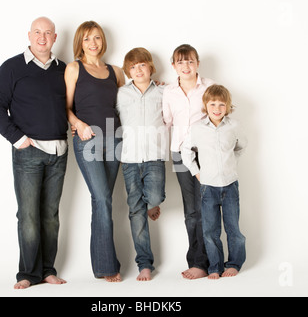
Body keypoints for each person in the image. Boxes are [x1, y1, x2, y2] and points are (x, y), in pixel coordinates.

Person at [0, 17, 68, 289]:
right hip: (29, 152)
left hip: (59, 152)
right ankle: (27, 274)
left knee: (50, 215)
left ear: (55, 38)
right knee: (28, 216)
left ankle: (47, 270)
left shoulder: (63, 69)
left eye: (48, 33)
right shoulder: (12, 67)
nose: (42, 37)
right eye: (38, 32)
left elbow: (78, 103)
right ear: (29, 35)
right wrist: (18, 138)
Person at [65, 21, 125, 282]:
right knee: (102, 199)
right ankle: (107, 267)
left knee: (103, 201)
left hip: (115, 140)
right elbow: (65, 106)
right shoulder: (74, 68)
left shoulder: (116, 71)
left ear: (103, 41)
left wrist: (152, 84)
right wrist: (78, 124)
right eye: (88, 38)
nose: (93, 43)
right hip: (88, 140)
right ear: (80, 42)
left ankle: (101, 264)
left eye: (97, 38)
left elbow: (128, 103)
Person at [181, 84, 247, 279]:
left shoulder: (234, 127)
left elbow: (241, 146)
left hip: (230, 185)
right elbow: (186, 152)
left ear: (227, 106)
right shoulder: (198, 128)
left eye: (221, 104)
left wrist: (230, 164)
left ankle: (234, 264)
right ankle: (215, 267)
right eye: (212, 104)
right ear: (205, 105)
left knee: (233, 228)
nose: (217, 108)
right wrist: (197, 173)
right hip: (207, 187)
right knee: (210, 231)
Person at [162, 44, 214, 279]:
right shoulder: (169, 92)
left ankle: (207, 262)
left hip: (205, 154)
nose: (186, 66)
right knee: (191, 211)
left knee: (206, 208)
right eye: (180, 62)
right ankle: (196, 261)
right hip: (180, 154)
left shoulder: (210, 87)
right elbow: (166, 121)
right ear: (173, 66)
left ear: (197, 63)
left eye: (190, 61)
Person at [117, 48, 169, 281]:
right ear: (128, 71)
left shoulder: (163, 91)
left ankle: (152, 204)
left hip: (154, 157)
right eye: (133, 67)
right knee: (135, 211)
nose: (138, 70)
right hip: (129, 159)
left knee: (155, 196)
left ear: (150, 67)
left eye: (142, 65)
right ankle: (144, 264)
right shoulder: (120, 94)